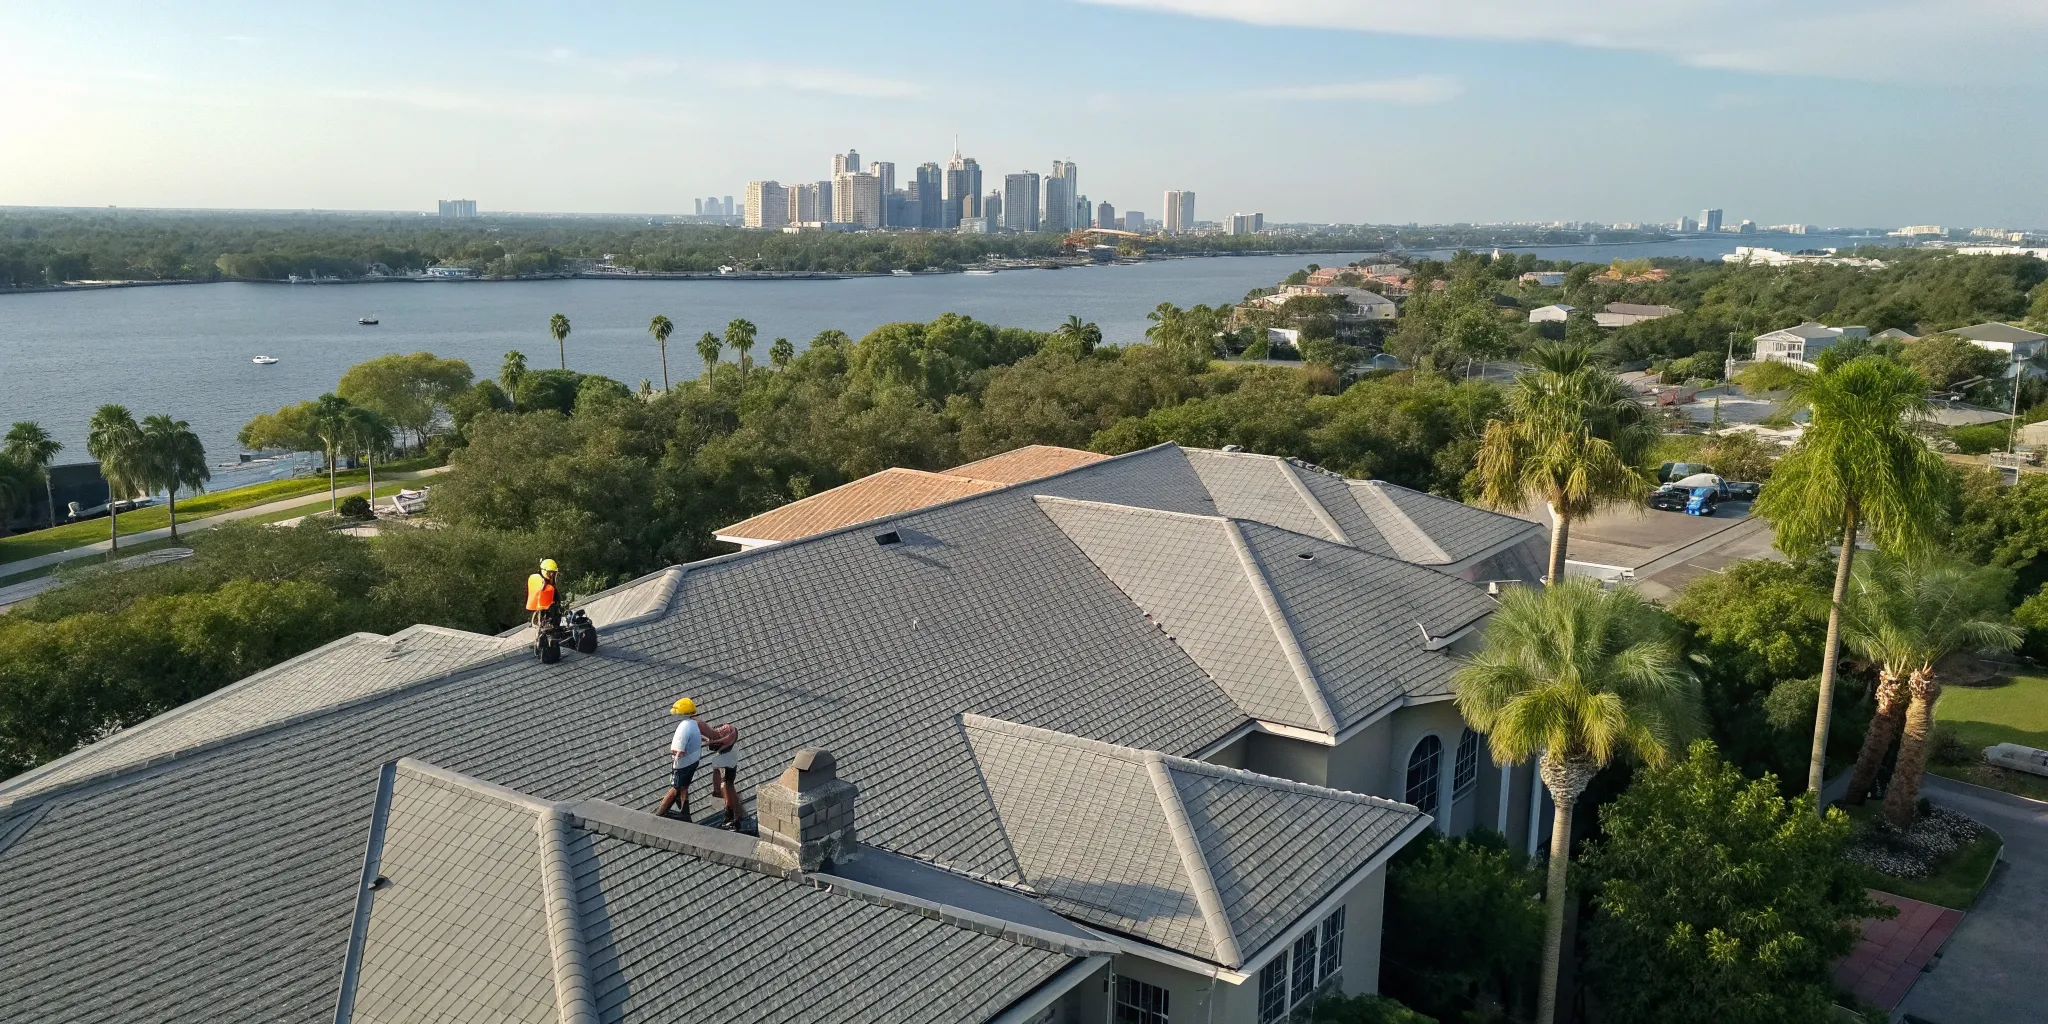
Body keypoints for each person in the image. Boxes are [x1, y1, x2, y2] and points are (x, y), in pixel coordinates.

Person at [655, 697, 703, 821]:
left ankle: (660, 812)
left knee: (676, 787)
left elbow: (678, 751)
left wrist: (675, 760)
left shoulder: (684, 727)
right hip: (693, 760)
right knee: (684, 786)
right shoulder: (693, 724)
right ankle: (685, 812)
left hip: (683, 763)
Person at [705, 722, 740, 830]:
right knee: (728, 784)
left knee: (726, 785)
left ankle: (730, 817)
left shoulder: (724, 759)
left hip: (726, 761)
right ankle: (733, 815)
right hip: (728, 757)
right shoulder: (730, 752)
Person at [526, 558, 562, 631]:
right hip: (546, 614)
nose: (552, 575)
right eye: (550, 573)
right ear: (543, 571)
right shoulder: (544, 584)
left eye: (554, 573)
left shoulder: (544, 581)